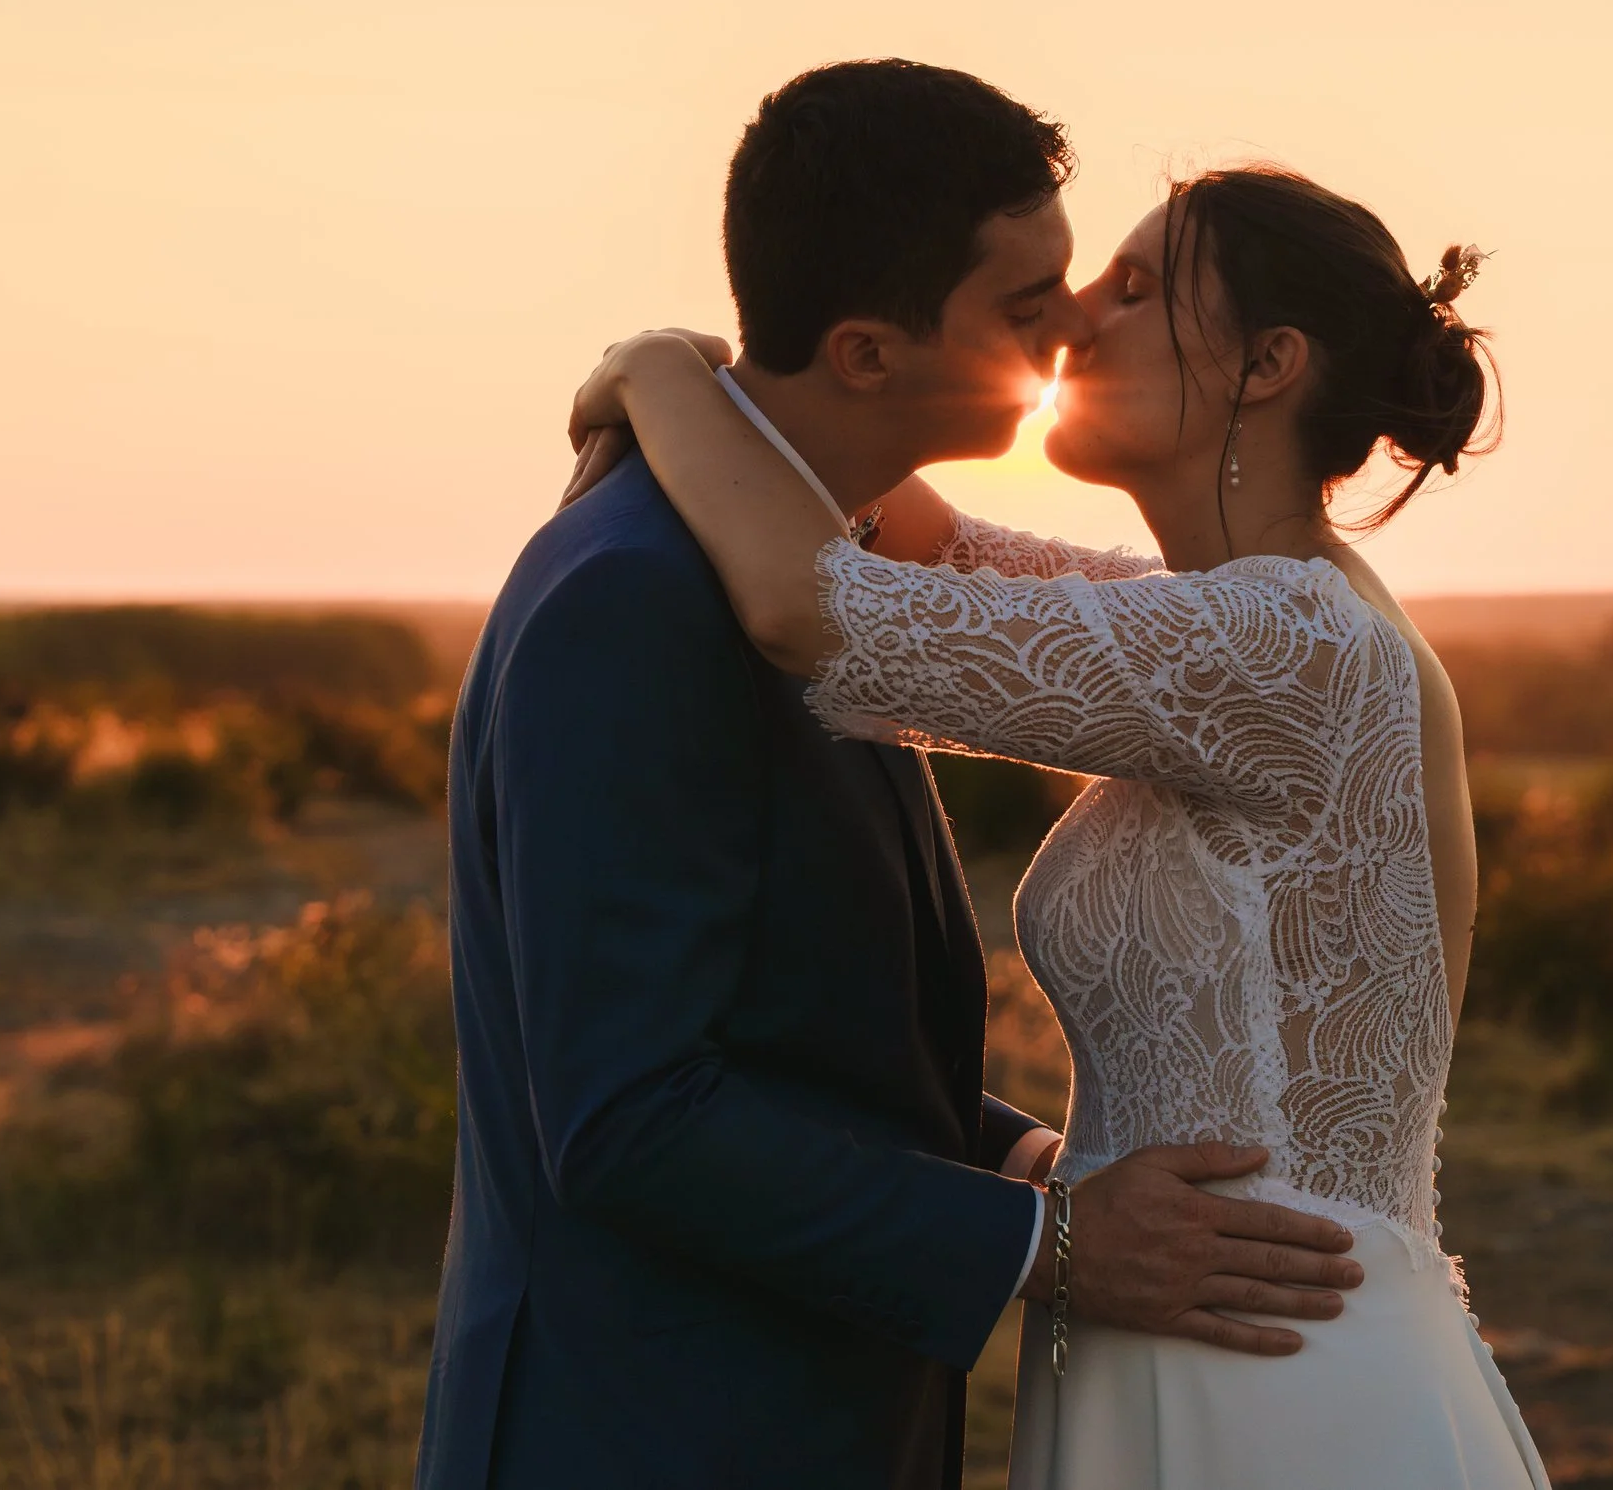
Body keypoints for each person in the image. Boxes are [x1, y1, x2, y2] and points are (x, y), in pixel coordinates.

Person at [415, 60, 1363, 1490]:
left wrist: (1027, 1164)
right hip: (653, 1433)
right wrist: (1052, 1247)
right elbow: (628, 1117)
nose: (1071, 336)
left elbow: (804, 1036)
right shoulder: (637, 600)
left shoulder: (831, 566)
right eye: (1024, 306)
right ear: (865, 351)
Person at [567, 161, 1552, 1489]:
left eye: (1134, 288)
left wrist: (657, 369)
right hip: (1182, 1318)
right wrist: (1053, 1159)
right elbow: (924, 545)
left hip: (1283, 1370)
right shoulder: (1221, 615)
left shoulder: (1290, 645)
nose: (1074, 320)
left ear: (1268, 363)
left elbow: (816, 606)